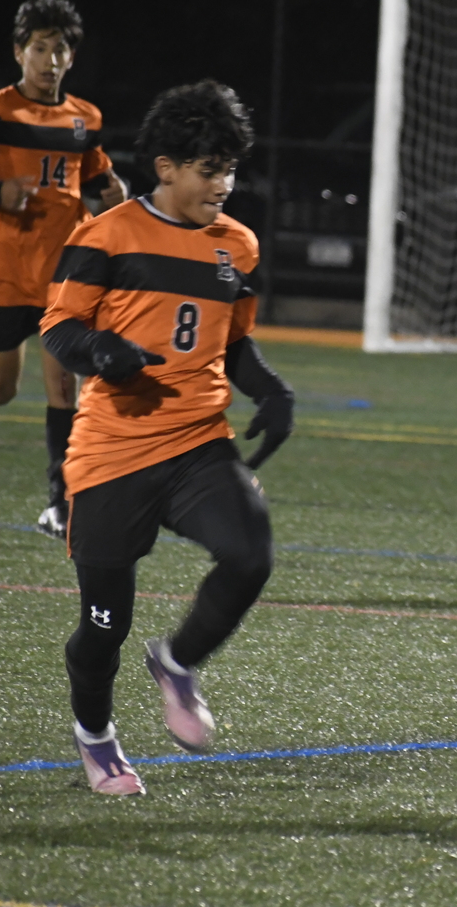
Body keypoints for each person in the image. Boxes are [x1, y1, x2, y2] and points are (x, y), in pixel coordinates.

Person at [39, 80, 294, 795]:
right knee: (102, 626)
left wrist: (271, 388)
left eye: (230, 168)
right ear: (167, 168)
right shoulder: (105, 236)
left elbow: (234, 343)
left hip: (196, 443)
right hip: (111, 455)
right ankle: (96, 736)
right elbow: (59, 329)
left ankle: (177, 662)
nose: (224, 184)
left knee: (250, 554)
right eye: (210, 169)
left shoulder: (236, 246)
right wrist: (102, 354)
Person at [0, 0, 128, 539]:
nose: (50, 59)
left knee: (65, 391)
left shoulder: (84, 118)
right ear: (20, 53)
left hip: (63, 278)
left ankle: (59, 505)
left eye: (60, 48)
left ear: (72, 57)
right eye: (39, 48)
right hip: (4, 272)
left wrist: (116, 194)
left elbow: (94, 184)